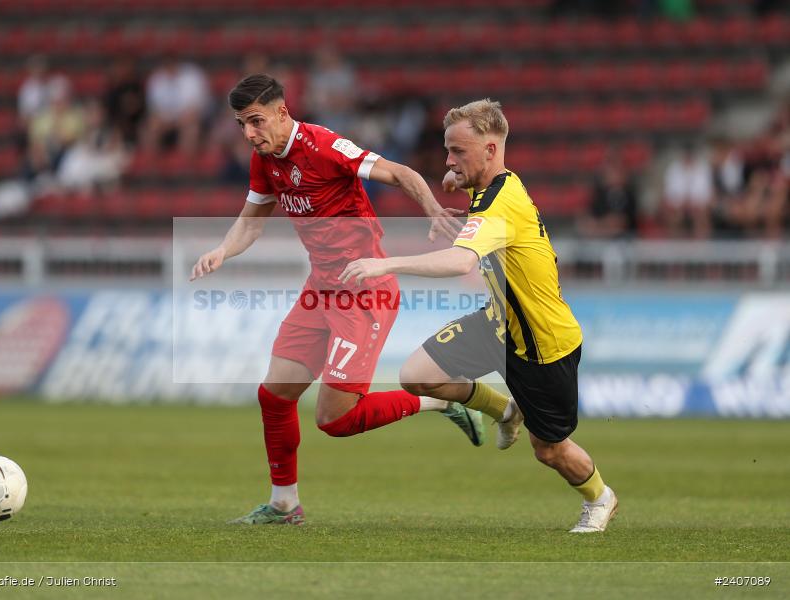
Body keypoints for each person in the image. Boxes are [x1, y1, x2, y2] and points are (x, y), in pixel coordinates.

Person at [191, 74, 480, 526]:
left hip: (364, 291)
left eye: (255, 121)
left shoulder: (324, 146)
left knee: (335, 420)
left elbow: (400, 173)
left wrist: (432, 210)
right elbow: (250, 222)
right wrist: (222, 251)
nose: (249, 134)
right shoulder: (265, 160)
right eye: (241, 125)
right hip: (320, 290)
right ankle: (284, 505)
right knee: (275, 396)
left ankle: (439, 401)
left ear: (282, 112)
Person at [340, 99, 618, 533]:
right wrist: (454, 179)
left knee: (549, 450)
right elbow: (462, 187)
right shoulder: (488, 182)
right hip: (498, 323)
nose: (449, 161)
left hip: (542, 345)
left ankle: (600, 498)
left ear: (490, 150)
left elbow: (458, 264)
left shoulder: (500, 201)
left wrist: (385, 264)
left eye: (458, 152)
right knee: (416, 374)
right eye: (448, 150)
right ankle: (505, 411)